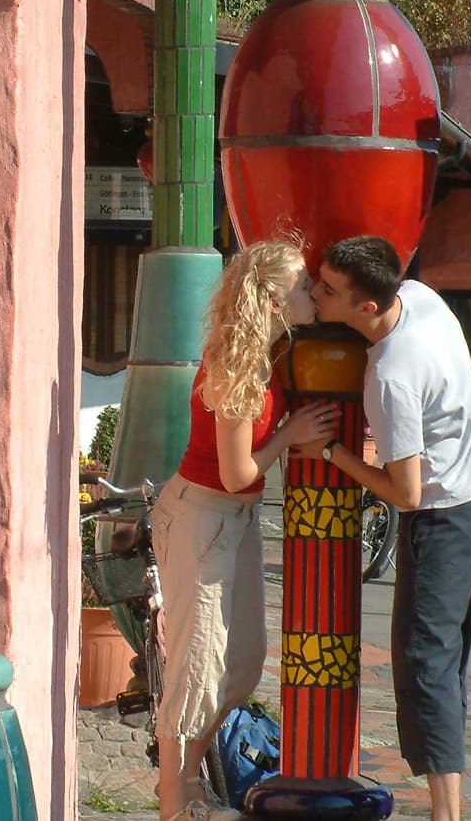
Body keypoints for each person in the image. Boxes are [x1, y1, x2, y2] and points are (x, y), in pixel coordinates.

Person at [298, 235, 471, 821]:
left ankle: (445, 812)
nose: (314, 292)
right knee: (442, 659)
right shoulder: (421, 297)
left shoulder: (389, 374)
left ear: (366, 309)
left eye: (328, 290)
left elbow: (403, 491)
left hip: (435, 520)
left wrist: (329, 450)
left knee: (425, 662)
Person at [152, 240, 339, 821]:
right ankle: (175, 798)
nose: (312, 294)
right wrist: (290, 432)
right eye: (304, 286)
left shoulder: (265, 353)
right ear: (273, 297)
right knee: (199, 668)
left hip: (231, 519)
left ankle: (184, 786)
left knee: (242, 663)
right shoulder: (238, 363)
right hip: (205, 516)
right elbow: (236, 473)